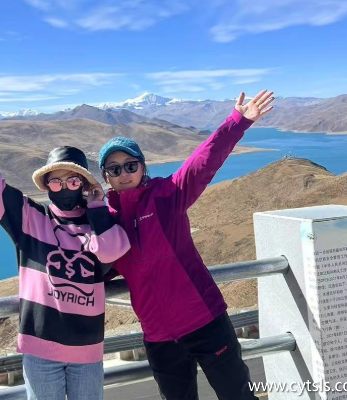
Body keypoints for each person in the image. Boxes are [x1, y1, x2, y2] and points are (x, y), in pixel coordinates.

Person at [0, 121, 130, 400]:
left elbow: (111, 252)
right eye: (56, 181)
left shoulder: (100, 223)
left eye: (72, 181)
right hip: (40, 351)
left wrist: (96, 206)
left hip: (87, 351)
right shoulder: (30, 219)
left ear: (84, 184)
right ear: (46, 186)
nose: (64, 187)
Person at [98, 90, 275, 400]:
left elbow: (203, 162)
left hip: (206, 322)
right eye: (114, 169)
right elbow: (95, 268)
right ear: (106, 177)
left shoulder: (167, 195)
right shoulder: (109, 224)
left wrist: (238, 121)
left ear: (143, 167)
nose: (123, 174)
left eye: (130, 165)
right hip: (160, 338)